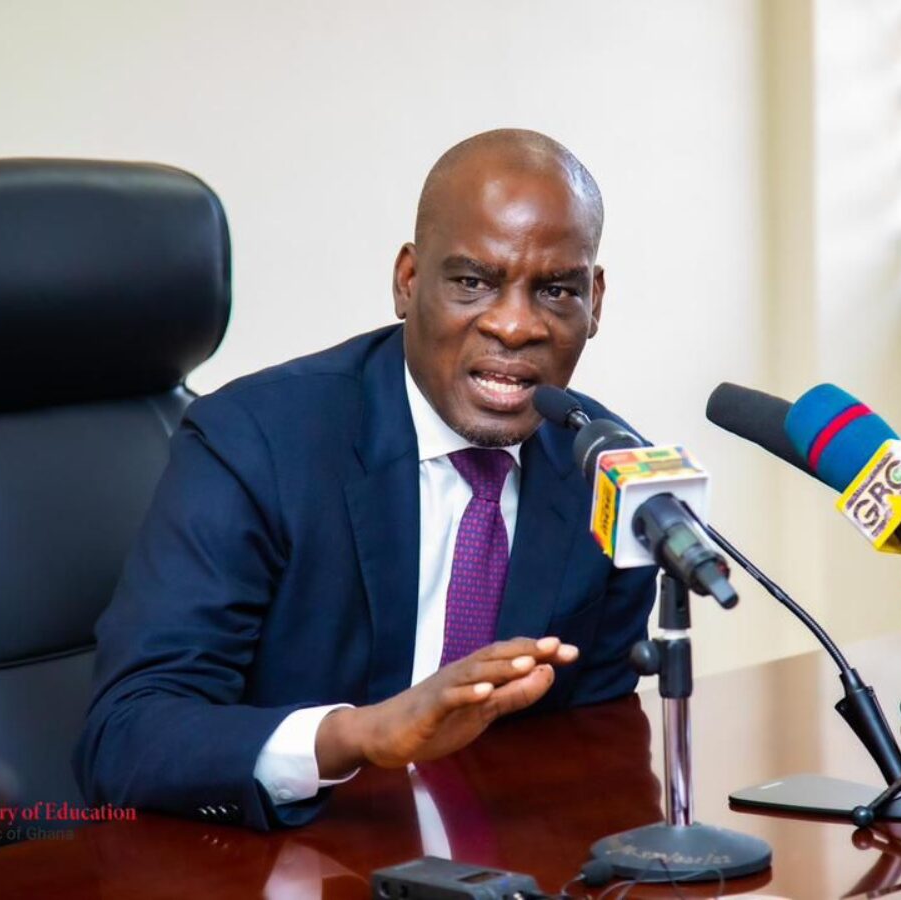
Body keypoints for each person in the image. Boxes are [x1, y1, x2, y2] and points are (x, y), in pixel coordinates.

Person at [75, 129, 657, 831]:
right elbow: (127, 737)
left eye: (556, 290)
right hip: (286, 856)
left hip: (497, 854)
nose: (513, 325)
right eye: (473, 282)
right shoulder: (255, 444)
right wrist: (358, 735)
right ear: (408, 281)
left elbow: (593, 734)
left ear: (595, 301)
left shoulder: (608, 470)